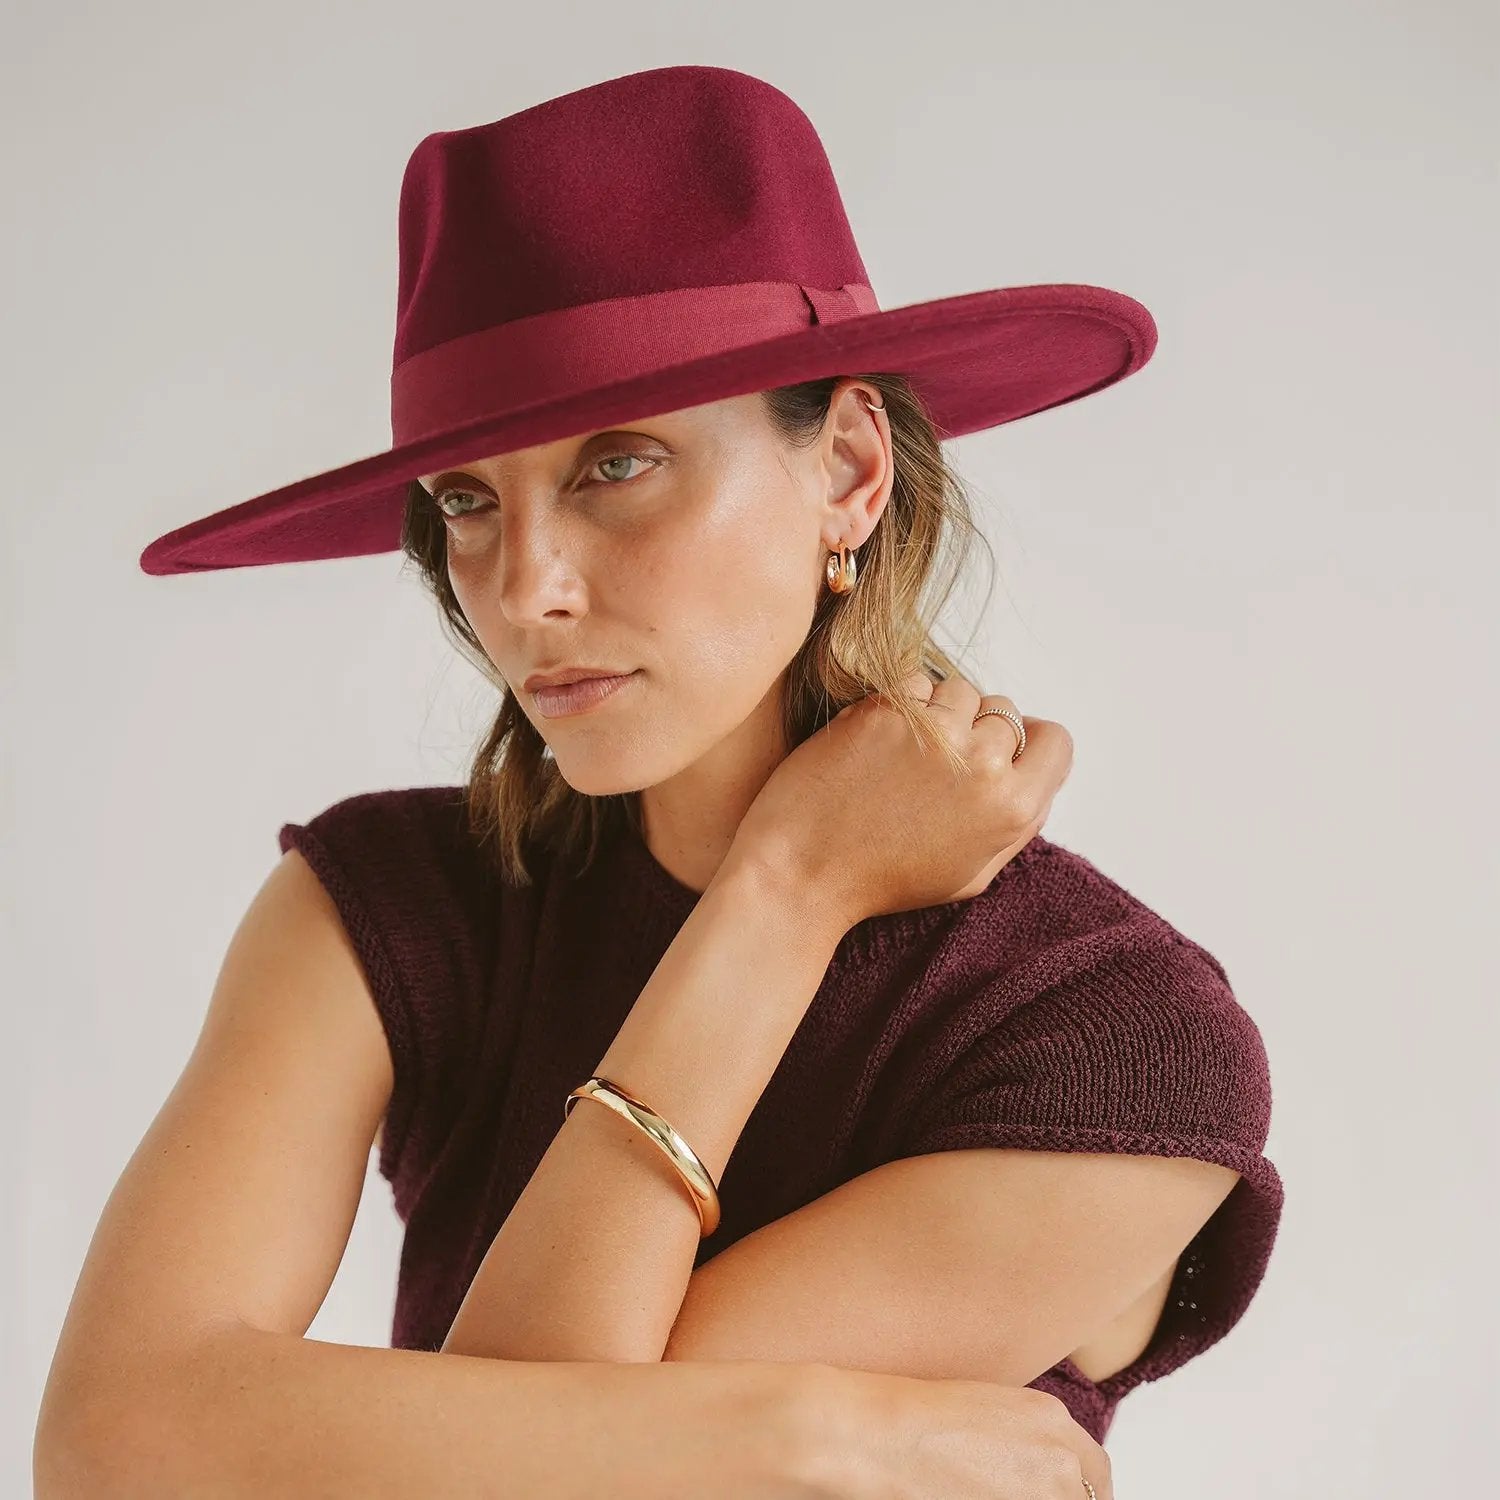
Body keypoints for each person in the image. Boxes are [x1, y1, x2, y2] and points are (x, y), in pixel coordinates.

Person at [35, 65, 1281, 1499]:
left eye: (617, 467)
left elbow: (535, 1472)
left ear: (851, 470)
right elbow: (105, 1447)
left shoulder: (1113, 1038)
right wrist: (805, 1435)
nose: (525, 590)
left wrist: (791, 887)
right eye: (467, 499)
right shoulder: (385, 909)